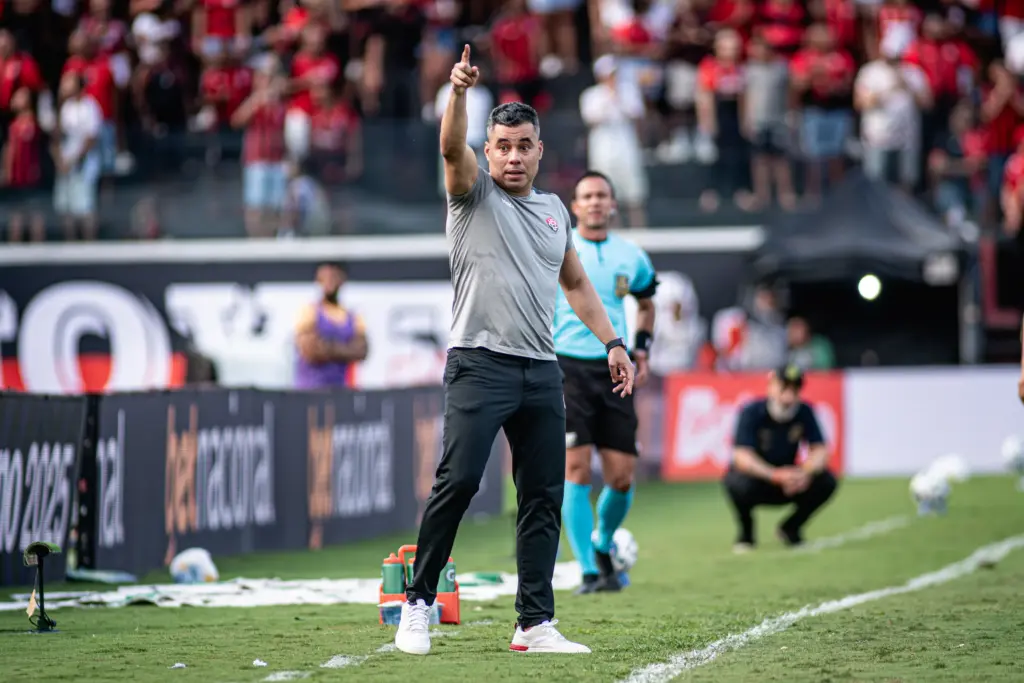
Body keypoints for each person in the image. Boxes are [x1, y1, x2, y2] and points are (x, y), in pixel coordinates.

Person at [395, 45, 635, 657]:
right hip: (478, 363)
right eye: (502, 145)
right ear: (490, 149)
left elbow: (576, 284)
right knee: (459, 482)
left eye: (523, 145)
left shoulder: (556, 211)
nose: (512, 155)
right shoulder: (471, 193)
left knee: (543, 497)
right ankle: (417, 603)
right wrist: (457, 94)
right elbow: (451, 148)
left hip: (539, 369)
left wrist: (613, 342)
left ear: (538, 150)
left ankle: (533, 622)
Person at [556, 171, 657, 594]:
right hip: (566, 368)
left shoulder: (631, 256)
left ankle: (601, 542)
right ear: (575, 206)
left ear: (612, 204)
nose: (595, 202)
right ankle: (589, 569)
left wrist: (642, 349)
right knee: (575, 469)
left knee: (621, 477)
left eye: (602, 196)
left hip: (614, 368)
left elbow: (647, 303)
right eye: (587, 196)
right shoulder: (559, 248)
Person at [723, 365, 838, 552]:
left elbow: (820, 450)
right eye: (783, 386)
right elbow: (741, 456)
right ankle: (746, 533)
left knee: (827, 481)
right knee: (734, 481)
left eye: (794, 388)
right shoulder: (752, 412)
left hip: (791, 482)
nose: (788, 394)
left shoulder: (804, 412)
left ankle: (790, 528)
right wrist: (774, 475)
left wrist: (804, 472)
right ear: (771, 387)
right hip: (761, 480)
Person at [293, 261, 368, 389]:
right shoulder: (309, 311)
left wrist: (327, 347)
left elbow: (361, 350)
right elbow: (309, 350)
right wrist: (344, 349)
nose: (330, 282)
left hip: (341, 390)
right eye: (326, 277)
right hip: (310, 390)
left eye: (334, 276)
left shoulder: (352, 316)